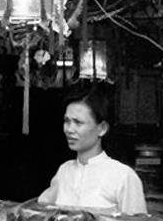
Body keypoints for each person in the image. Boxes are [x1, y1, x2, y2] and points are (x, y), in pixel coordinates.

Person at [38, 85, 147, 214]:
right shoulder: (64, 171)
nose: (69, 129)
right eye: (67, 121)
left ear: (102, 129)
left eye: (78, 123)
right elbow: (40, 210)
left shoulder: (123, 176)